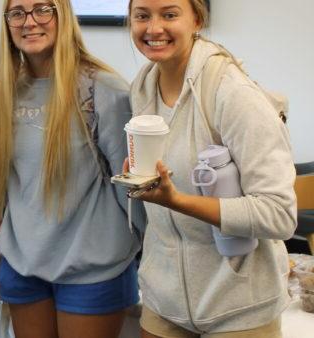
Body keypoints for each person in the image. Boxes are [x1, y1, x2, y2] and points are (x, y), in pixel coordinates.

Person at [126, 0, 296, 337]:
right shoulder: (143, 86)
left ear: (197, 20)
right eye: (142, 16)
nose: (154, 28)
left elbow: (280, 215)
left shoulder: (233, 93)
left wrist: (177, 201)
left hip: (238, 308)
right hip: (163, 300)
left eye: (170, 15)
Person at [0, 0, 145, 337]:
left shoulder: (104, 90)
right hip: (22, 265)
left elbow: (131, 192)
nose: (29, 21)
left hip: (93, 271)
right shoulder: (5, 94)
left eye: (42, 9)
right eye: (17, 12)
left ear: (63, 15)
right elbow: (3, 183)